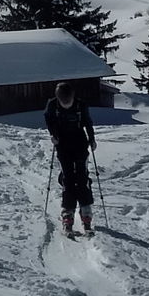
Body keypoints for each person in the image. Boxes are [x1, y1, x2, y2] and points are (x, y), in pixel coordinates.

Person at [44, 80, 96, 237]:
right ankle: (68, 213)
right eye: (63, 102)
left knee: (82, 177)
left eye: (68, 102)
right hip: (63, 143)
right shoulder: (52, 105)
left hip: (80, 142)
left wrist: (92, 139)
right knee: (68, 178)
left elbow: (87, 122)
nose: (66, 104)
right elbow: (49, 119)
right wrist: (53, 135)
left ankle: (86, 214)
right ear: (58, 98)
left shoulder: (81, 105)